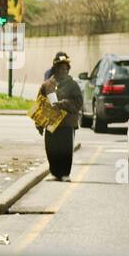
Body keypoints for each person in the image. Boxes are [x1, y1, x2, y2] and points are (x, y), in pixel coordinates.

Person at [37, 53, 83, 181]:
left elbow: (79, 103)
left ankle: (64, 174)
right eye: (60, 68)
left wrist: (64, 103)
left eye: (65, 68)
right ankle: (54, 173)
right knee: (51, 149)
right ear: (55, 69)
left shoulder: (73, 85)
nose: (62, 71)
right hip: (50, 123)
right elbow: (39, 104)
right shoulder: (47, 85)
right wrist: (39, 124)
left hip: (67, 123)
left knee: (65, 149)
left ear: (68, 70)